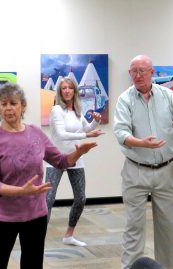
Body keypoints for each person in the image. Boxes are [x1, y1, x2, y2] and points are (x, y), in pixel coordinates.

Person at [0, 83, 97, 269]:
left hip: (36, 214)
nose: (8, 108)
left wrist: (78, 153)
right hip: (4, 216)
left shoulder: (35, 132)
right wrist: (21, 191)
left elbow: (59, 161)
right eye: (4, 104)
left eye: (13, 103)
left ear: (23, 106)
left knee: (33, 264)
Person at [113, 55, 173, 269]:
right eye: (134, 71)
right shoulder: (125, 99)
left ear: (152, 73)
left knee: (169, 228)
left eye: (143, 70)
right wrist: (139, 143)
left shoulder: (168, 96)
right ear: (130, 74)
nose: (138, 75)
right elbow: (121, 132)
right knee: (134, 229)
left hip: (168, 171)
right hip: (136, 171)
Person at [45, 77, 105, 247]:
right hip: (56, 158)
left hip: (76, 158)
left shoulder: (78, 111)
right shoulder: (57, 110)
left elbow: (86, 129)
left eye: (70, 88)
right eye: (63, 88)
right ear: (60, 91)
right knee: (47, 200)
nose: (67, 91)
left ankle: (69, 235)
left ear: (74, 91)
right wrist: (86, 136)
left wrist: (96, 121)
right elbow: (62, 134)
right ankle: (38, 237)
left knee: (80, 198)